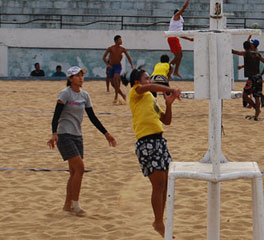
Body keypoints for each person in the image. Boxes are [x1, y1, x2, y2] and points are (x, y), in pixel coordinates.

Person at [47, 66, 117, 217]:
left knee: (74, 172)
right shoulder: (65, 94)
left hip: (78, 136)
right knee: (80, 168)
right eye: (77, 76)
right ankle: (76, 205)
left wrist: (106, 134)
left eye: (81, 75)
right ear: (70, 79)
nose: (81, 78)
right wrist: (54, 133)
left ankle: (67, 205)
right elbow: (56, 115)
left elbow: (92, 117)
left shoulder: (85, 95)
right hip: (64, 134)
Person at [127, 68, 181, 237]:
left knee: (165, 184)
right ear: (137, 81)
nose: (149, 80)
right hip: (146, 142)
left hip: (159, 141)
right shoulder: (136, 92)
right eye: (146, 78)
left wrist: (169, 103)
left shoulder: (150, 98)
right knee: (158, 185)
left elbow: (166, 120)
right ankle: (158, 221)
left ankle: (160, 221)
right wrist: (170, 88)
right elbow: (150, 87)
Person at [232, 41, 264, 120]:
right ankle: (256, 115)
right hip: (259, 78)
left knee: (245, 96)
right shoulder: (257, 54)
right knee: (256, 97)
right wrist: (261, 73)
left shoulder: (246, 54)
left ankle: (257, 109)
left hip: (252, 78)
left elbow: (234, 52)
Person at [103, 35, 135, 104]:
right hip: (111, 67)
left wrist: (132, 65)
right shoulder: (111, 48)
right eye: (120, 39)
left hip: (118, 66)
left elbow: (128, 57)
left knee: (116, 79)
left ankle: (116, 96)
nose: (121, 41)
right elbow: (104, 57)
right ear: (116, 41)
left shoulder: (122, 49)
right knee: (113, 83)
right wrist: (108, 64)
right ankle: (123, 95)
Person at [167, 0, 194, 79]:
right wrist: (187, 2)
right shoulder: (176, 16)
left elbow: (180, 34)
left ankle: (175, 71)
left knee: (180, 55)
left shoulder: (179, 20)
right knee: (178, 56)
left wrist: (189, 39)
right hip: (172, 38)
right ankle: (167, 69)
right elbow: (183, 8)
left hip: (174, 38)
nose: (180, 13)